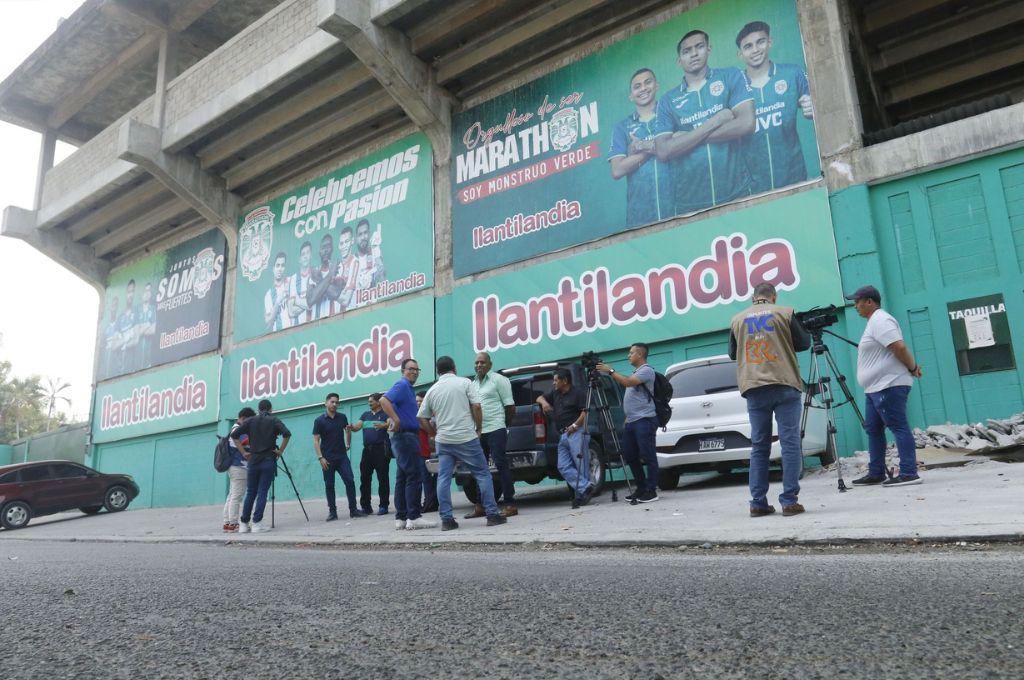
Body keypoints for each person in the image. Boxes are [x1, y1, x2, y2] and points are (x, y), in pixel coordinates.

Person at [728, 281, 811, 517]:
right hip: (784, 383)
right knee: (790, 443)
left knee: (759, 446)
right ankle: (789, 501)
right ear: (773, 297)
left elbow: (733, 353)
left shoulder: (737, 319)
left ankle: (757, 503)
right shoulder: (785, 313)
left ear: (753, 297)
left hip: (754, 387)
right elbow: (804, 343)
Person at [654, 29, 755, 215]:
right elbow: (663, 151)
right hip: (690, 204)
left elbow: (747, 123)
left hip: (737, 192)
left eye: (699, 47)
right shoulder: (667, 100)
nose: (693, 53)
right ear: (679, 61)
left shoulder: (731, 75)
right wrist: (716, 121)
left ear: (709, 49)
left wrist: (687, 138)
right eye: (686, 51)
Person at [418, 356, 508, 531]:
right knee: (482, 474)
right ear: (454, 368)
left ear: (438, 371)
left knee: (443, 478)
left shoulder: (432, 390)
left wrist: (434, 433)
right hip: (467, 437)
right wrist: (479, 427)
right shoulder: (465, 383)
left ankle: (447, 520)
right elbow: (477, 407)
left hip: (444, 441)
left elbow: (422, 417)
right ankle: (492, 515)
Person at [846, 285, 924, 487]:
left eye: (857, 302)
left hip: (888, 385)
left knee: (898, 426)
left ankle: (909, 472)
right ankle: (876, 472)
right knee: (873, 429)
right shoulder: (873, 322)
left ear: (870, 302)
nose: (855, 306)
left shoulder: (881, 319)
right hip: (874, 388)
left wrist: (913, 367)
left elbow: (898, 346)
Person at [735, 21, 813, 194]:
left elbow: (818, 103)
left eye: (760, 42)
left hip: (794, 179)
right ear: (740, 54)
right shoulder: (733, 88)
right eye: (748, 46)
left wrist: (813, 106)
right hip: (752, 189)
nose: (755, 50)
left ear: (770, 42)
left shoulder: (793, 73)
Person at [609, 68, 674, 227]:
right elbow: (617, 170)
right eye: (637, 86)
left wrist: (640, 145)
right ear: (631, 96)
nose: (643, 88)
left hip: (678, 204)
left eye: (648, 82)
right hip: (641, 215)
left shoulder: (672, 112)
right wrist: (656, 148)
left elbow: (684, 141)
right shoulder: (622, 127)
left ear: (656, 85)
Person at [598, 344, 661, 503]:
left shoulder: (647, 371)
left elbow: (627, 383)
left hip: (645, 420)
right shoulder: (636, 372)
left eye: (631, 353)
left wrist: (610, 371)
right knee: (630, 455)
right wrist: (628, 417)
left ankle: (652, 490)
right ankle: (641, 488)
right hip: (632, 421)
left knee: (648, 454)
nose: (628, 356)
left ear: (640, 355)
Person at [379, 358, 435, 530]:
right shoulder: (402, 385)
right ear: (403, 370)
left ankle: (401, 518)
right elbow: (383, 400)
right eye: (411, 369)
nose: (414, 372)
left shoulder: (409, 390)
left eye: (417, 370)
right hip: (405, 437)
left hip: (404, 436)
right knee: (414, 476)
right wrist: (395, 419)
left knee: (402, 477)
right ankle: (414, 516)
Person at [468, 352, 516, 518]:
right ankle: (480, 505)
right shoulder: (472, 384)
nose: (479, 365)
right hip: (479, 431)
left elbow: (510, 406)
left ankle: (510, 503)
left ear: (490, 364)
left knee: (501, 465)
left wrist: (504, 425)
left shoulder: (499, 380)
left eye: (482, 362)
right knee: (479, 469)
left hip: (496, 428)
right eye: (476, 362)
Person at [232, 399, 291, 533]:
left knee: (251, 492)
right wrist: (280, 451)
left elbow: (234, 435)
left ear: (258, 410)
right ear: (270, 409)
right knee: (262, 492)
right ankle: (257, 523)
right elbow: (287, 434)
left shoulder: (250, 421)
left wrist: (244, 452)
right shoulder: (274, 420)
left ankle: (243, 524)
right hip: (268, 460)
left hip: (253, 460)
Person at [536, 367, 592, 508]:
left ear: (565, 381)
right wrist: (544, 403)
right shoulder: (555, 393)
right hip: (563, 435)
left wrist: (574, 425)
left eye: (556, 380)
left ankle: (582, 496)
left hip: (577, 432)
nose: (553, 383)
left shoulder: (578, 393)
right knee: (562, 466)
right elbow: (539, 397)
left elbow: (585, 413)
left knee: (581, 465)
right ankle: (586, 487)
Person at [313, 392, 367, 521]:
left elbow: (347, 430)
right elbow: (316, 440)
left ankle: (353, 510)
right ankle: (332, 512)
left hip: (342, 457)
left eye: (337, 402)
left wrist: (348, 442)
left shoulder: (342, 417)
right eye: (332, 402)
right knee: (329, 485)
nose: (335, 404)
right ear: (326, 403)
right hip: (327, 458)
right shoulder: (319, 420)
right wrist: (321, 457)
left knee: (350, 481)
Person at [351, 392, 391, 515]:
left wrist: (384, 425)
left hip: (381, 450)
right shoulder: (365, 415)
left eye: (371, 401)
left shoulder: (385, 413)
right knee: (365, 479)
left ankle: (383, 506)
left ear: (379, 402)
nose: (369, 403)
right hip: (367, 451)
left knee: (383, 479)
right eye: (368, 401)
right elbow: (357, 427)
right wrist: (350, 427)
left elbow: (391, 423)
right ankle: (366, 507)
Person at [222, 407, 255, 532]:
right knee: (237, 496)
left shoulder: (234, 429)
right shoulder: (238, 430)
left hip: (234, 467)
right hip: (239, 467)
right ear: (243, 418)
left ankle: (227, 522)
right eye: (249, 420)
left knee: (232, 495)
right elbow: (247, 445)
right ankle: (233, 524)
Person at [307, 234, 344, 319]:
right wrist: (330, 275)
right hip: (316, 323)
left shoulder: (338, 266)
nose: (326, 250)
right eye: (323, 247)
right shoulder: (314, 271)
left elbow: (335, 293)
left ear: (332, 249)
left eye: (328, 246)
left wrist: (319, 280)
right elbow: (310, 300)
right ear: (319, 251)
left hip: (335, 320)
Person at [350, 219, 386, 305]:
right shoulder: (353, 260)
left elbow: (382, 278)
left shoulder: (375, 252)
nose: (363, 237)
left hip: (374, 306)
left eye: (365, 233)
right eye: (360, 234)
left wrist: (375, 248)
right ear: (356, 238)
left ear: (369, 234)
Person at [416, 392, 439, 513]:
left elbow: (432, 429)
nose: (418, 403)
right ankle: (429, 502)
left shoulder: (433, 413)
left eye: (421, 401)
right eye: (417, 401)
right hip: (422, 451)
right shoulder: (417, 416)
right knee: (425, 478)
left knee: (437, 477)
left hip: (436, 450)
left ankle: (432, 502)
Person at [264, 252, 293, 333]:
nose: (280, 269)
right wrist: (278, 301)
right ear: (273, 269)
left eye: (282, 265)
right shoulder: (269, 294)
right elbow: (268, 320)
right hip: (279, 336)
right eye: (278, 265)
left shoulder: (291, 281)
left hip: (295, 331)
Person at [288, 241, 314, 325]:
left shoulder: (316, 274)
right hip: (298, 329)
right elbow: (291, 311)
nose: (305, 256)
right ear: (299, 259)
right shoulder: (293, 279)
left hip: (315, 324)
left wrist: (298, 301)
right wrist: (309, 302)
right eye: (303, 254)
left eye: (308, 253)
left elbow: (316, 301)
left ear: (311, 255)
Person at [135, 282, 156, 371]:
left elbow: (153, 330)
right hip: (136, 359)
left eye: (149, 291)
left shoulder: (153, 309)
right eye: (145, 291)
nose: (147, 293)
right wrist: (148, 324)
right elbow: (136, 331)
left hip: (148, 359)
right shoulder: (137, 309)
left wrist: (141, 328)